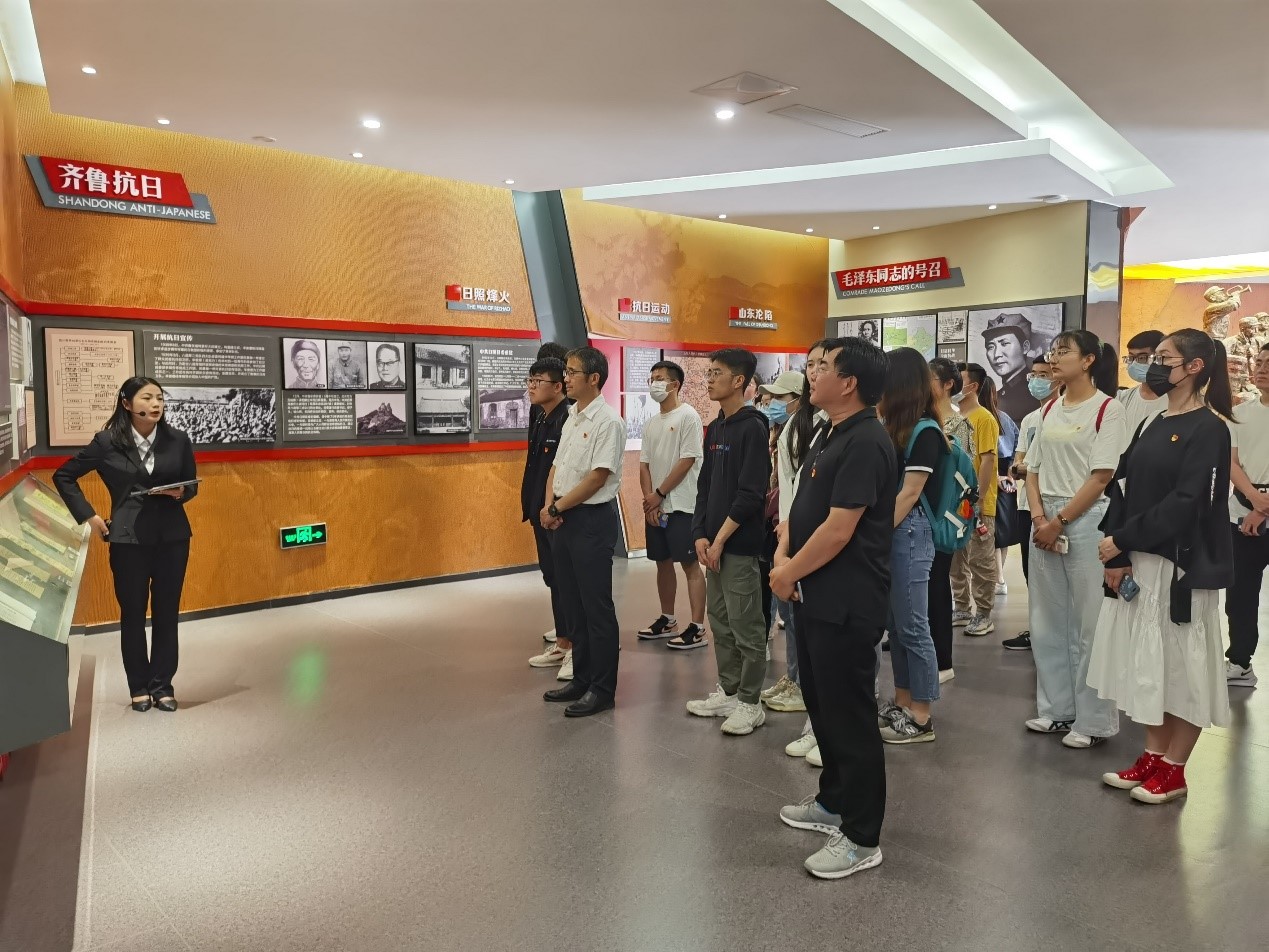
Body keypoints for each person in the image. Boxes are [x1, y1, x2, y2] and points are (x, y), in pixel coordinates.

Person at [1091, 329, 1234, 803]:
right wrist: (1119, 550)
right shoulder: (1154, 421)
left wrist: (1123, 539)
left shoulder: (1209, 429)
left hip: (1181, 566)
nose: (1152, 365)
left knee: (1184, 667)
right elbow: (1121, 484)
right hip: (1142, 560)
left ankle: (1175, 767)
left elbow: (1188, 502)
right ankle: (1153, 755)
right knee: (1150, 664)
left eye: (1163, 357)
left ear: (1194, 367)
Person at [771, 337, 896, 880]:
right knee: (822, 708)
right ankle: (833, 801)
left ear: (849, 383)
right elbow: (806, 510)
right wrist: (785, 552)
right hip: (814, 594)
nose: (812, 374)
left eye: (823, 367)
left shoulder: (866, 440)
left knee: (850, 718)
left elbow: (840, 529)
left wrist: (787, 572)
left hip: (846, 600)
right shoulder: (830, 431)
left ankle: (863, 837)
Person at [53, 377, 198, 713]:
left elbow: (192, 485)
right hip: (127, 539)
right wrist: (91, 517)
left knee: (167, 613)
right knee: (132, 613)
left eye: (159, 397)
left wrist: (182, 492)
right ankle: (139, 687)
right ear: (127, 404)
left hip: (173, 537)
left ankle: (162, 686)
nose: (156, 404)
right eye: (147, 397)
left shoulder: (178, 439)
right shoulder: (107, 442)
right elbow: (64, 476)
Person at [1024, 330, 1126, 748]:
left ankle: (1094, 721)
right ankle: (1056, 710)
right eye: (1053, 351)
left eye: (1063, 351)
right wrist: (1039, 517)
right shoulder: (1049, 408)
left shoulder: (1108, 409)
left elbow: (1101, 476)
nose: (1053, 358)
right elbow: (1032, 469)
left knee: (1089, 624)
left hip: (1085, 519)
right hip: (1044, 517)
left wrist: (1060, 520)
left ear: (1088, 361)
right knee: (1047, 622)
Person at [686, 348, 772, 736]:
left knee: (746, 627)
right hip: (714, 544)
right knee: (720, 623)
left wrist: (720, 539)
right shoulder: (716, 427)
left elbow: (751, 494)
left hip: (738, 546)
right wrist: (700, 534)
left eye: (715, 373)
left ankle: (751, 703)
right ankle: (731, 691)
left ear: (739, 381)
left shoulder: (753, 427)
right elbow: (705, 486)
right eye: (707, 373)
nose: (708, 380)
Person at [539, 347, 624, 717]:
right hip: (563, 517)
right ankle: (582, 678)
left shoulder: (609, 422)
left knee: (596, 608)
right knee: (573, 605)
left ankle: (602, 689)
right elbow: (556, 468)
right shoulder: (572, 416)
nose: (566, 378)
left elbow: (597, 478)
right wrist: (550, 505)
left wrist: (556, 508)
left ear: (594, 378)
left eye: (572, 372)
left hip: (590, 519)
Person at [876, 347, 943, 744]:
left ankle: (921, 715)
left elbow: (910, 493)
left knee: (914, 626)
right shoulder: (895, 427)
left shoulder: (925, 431)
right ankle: (902, 703)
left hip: (910, 531)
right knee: (897, 628)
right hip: (896, 530)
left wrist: (876, 532)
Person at [636, 360, 707, 649]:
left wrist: (660, 494)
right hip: (657, 507)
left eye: (660, 378)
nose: (654, 383)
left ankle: (698, 627)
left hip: (682, 505)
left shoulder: (688, 416)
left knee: (690, 565)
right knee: (662, 562)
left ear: (675, 384)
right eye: (652, 378)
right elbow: (644, 465)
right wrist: (650, 501)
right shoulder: (651, 423)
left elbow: (687, 460)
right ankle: (668, 619)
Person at [758, 368, 812, 715]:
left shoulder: (804, 428)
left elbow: (798, 485)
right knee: (790, 615)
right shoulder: (786, 428)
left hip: (794, 530)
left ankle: (802, 683)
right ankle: (794, 677)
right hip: (785, 527)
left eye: (780, 397)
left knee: (796, 613)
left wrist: (788, 525)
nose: (773, 403)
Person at [1001, 356, 1059, 651]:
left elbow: (1040, 465)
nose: (1036, 380)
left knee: (1056, 574)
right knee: (1031, 571)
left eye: (1043, 375)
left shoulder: (1064, 415)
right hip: (1027, 503)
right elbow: (1018, 463)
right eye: (1033, 375)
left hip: (1056, 503)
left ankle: (1056, 632)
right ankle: (1037, 630)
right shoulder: (1029, 420)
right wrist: (1026, 467)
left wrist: (1029, 467)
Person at [522, 358, 574, 673]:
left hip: (556, 513)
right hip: (539, 511)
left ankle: (574, 649)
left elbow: (565, 473)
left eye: (537, 380)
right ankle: (564, 642)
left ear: (557, 386)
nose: (531, 386)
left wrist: (553, 507)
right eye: (529, 380)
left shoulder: (567, 419)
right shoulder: (541, 416)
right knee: (554, 578)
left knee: (566, 581)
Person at [1225, 342, 1269, 687]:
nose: (1263, 369)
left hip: (1257, 508)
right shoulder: (1239, 413)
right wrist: (1255, 501)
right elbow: (1231, 462)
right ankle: (1240, 661)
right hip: (1242, 510)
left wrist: (1262, 507)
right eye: (1261, 362)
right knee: (1240, 594)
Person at [927, 358, 970, 680]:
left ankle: (943, 659)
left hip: (943, 515)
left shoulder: (958, 424)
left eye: (928, 378)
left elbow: (963, 478)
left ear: (947, 384)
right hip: (924, 512)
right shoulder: (924, 419)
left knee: (937, 585)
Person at [950, 363, 1000, 636]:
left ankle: (983, 613)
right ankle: (961, 607)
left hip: (977, 502)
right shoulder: (954, 417)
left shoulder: (984, 418)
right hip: (954, 502)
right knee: (956, 558)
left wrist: (978, 497)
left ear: (973, 386)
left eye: (961, 380)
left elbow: (988, 459)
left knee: (980, 559)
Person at [982, 313, 1042, 426]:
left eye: (1004, 344)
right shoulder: (994, 397)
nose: (997, 354)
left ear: (1025, 347)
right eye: (990, 347)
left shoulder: (1037, 393)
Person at [1118, 330, 1166, 446]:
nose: (1134, 363)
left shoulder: (1176, 400)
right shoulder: (1122, 398)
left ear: (1160, 359)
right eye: (1131, 357)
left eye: (1142, 358)